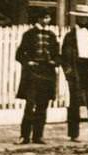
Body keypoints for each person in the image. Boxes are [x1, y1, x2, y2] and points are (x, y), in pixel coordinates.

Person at [14, 7, 59, 145]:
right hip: (33, 73)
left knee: (42, 105)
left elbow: (58, 55)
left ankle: (38, 136)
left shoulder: (52, 35)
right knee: (30, 104)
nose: (47, 20)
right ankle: (24, 136)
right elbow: (20, 54)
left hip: (47, 73)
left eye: (48, 17)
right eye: (44, 17)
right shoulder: (29, 34)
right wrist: (29, 62)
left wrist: (54, 62)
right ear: (38, 18)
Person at [60, 6, 88, 143]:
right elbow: (65, 57)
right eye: (81, 17)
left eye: (86, 17)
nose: (84, 19)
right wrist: (69, 73)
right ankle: (74, 134)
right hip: (76, 69)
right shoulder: (70, 36)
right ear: (77, 18)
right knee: (75, 103)